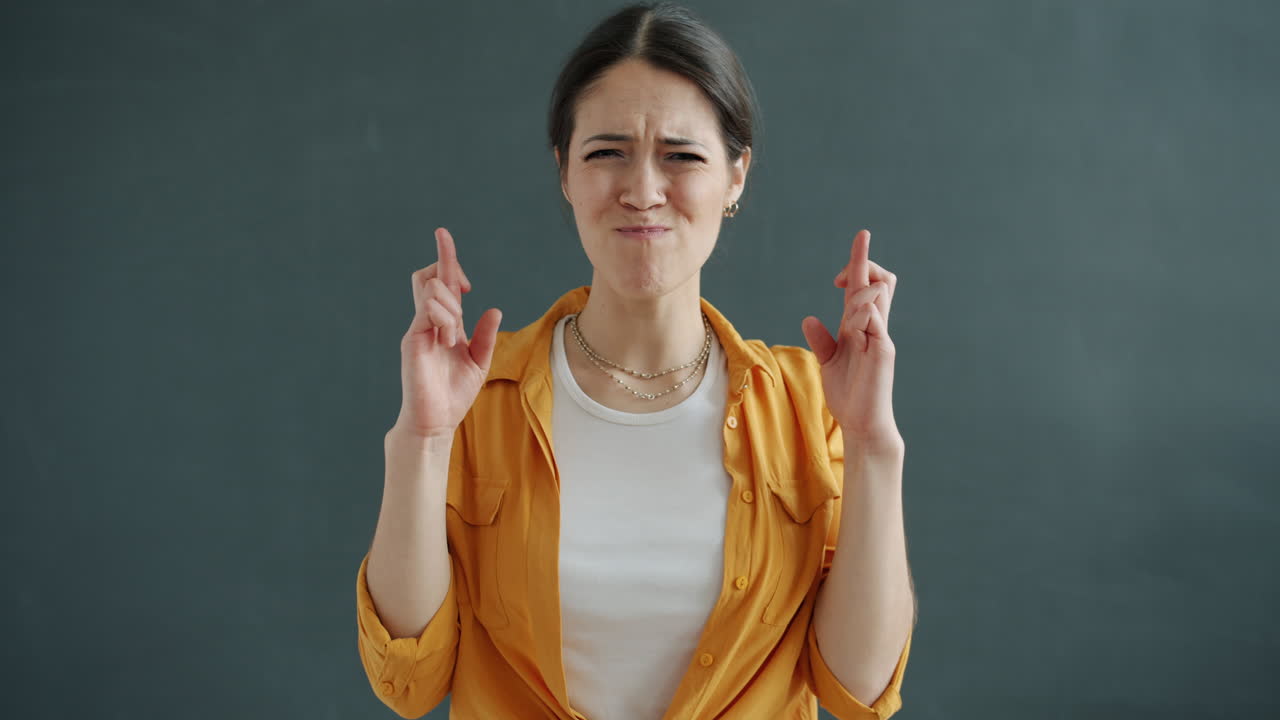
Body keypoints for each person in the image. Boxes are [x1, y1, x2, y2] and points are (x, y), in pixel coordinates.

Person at [356, 3, 916, 718]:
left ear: (736, 176)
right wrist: (424, 440)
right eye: (606, 153)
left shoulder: (808, 405)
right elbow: (406, 680)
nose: (643, 191)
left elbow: (859, 687)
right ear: (564, 171)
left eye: (681, 156)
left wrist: (872, 448)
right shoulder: (479, 395)